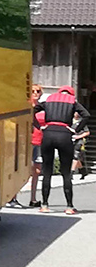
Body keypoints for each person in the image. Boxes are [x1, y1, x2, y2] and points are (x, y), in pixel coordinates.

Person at [39, 84, 90, 215]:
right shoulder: (72, 101)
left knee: (47, 170)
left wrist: (39, 126)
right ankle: (69, 206)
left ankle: (44, 205)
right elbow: (86, 115)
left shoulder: (48, 99)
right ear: (71, 94)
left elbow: (33, 110)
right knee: (66, 172)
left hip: (48, 133)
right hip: (64, 134)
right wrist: (75, 130)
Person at [26, 84, 44, 208]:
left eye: (38, 91)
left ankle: (33, 198)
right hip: (27, 139)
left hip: (39, 140)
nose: (35, 93)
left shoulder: (42, 107)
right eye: (33, 91)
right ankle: (13, 197)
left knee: (37, 170)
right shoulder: (26, 105)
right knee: (23, 169)